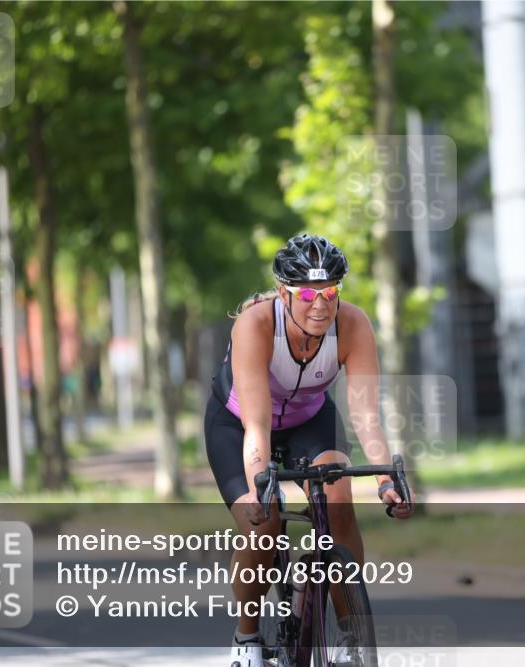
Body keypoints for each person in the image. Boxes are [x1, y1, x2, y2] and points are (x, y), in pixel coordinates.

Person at [204, 233, 411, 667]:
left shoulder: (353, 325)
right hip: (239, 425)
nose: (320, 305)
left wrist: (386, 480)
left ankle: (351, 635)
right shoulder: (256, 326)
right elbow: (257, 426)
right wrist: (259, 487)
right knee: (263, 526)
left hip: (308, 419)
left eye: (330, 292)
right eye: (306, 295)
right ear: (283, 294)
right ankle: (247, 636)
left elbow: (366, 415)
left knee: (339, 504)